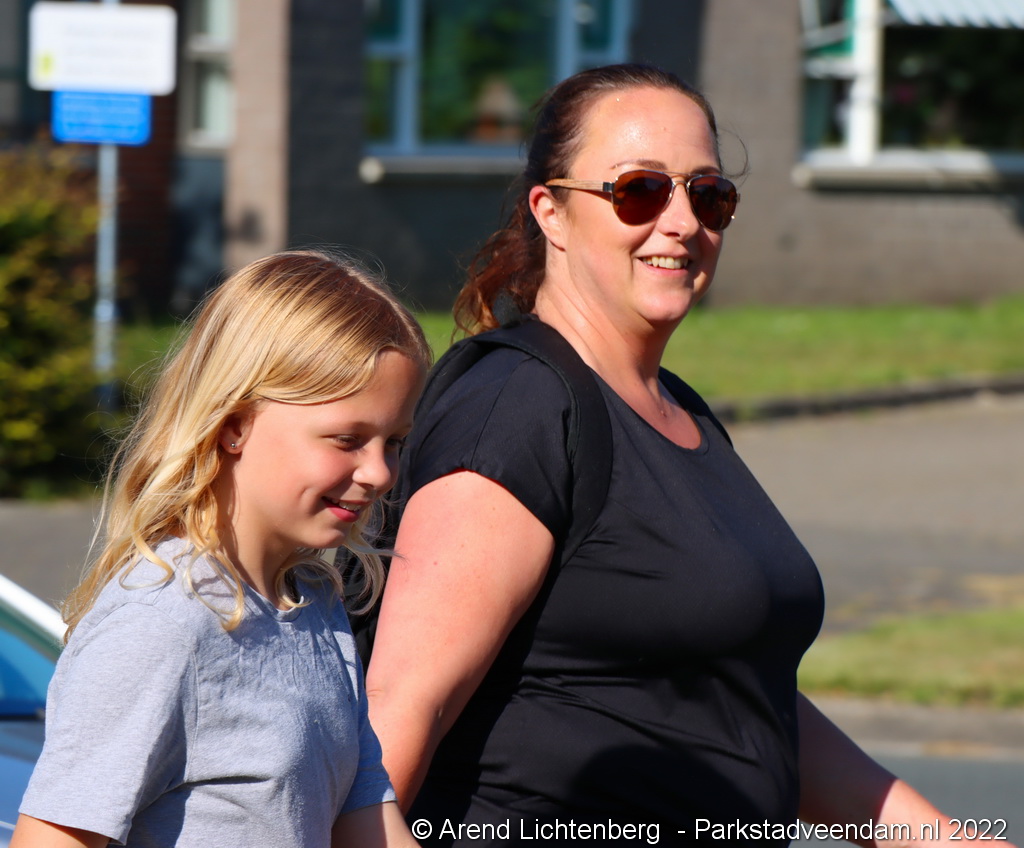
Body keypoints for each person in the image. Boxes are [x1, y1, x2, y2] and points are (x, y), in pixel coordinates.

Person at [360, 65, 991, 845]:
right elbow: (400, 707)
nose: (683, 221)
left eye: (708, 194)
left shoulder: (675, 409)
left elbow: (739, 690)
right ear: (551, 212)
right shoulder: (518, 407)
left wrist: (946, 839)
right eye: (640, 191)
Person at [12, 249, 430, 848]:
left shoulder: (313, 603)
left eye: (395, 443)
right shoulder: (161, 623)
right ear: (235, 425)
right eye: (347, 439)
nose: (381, 473)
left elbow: (367, 820)